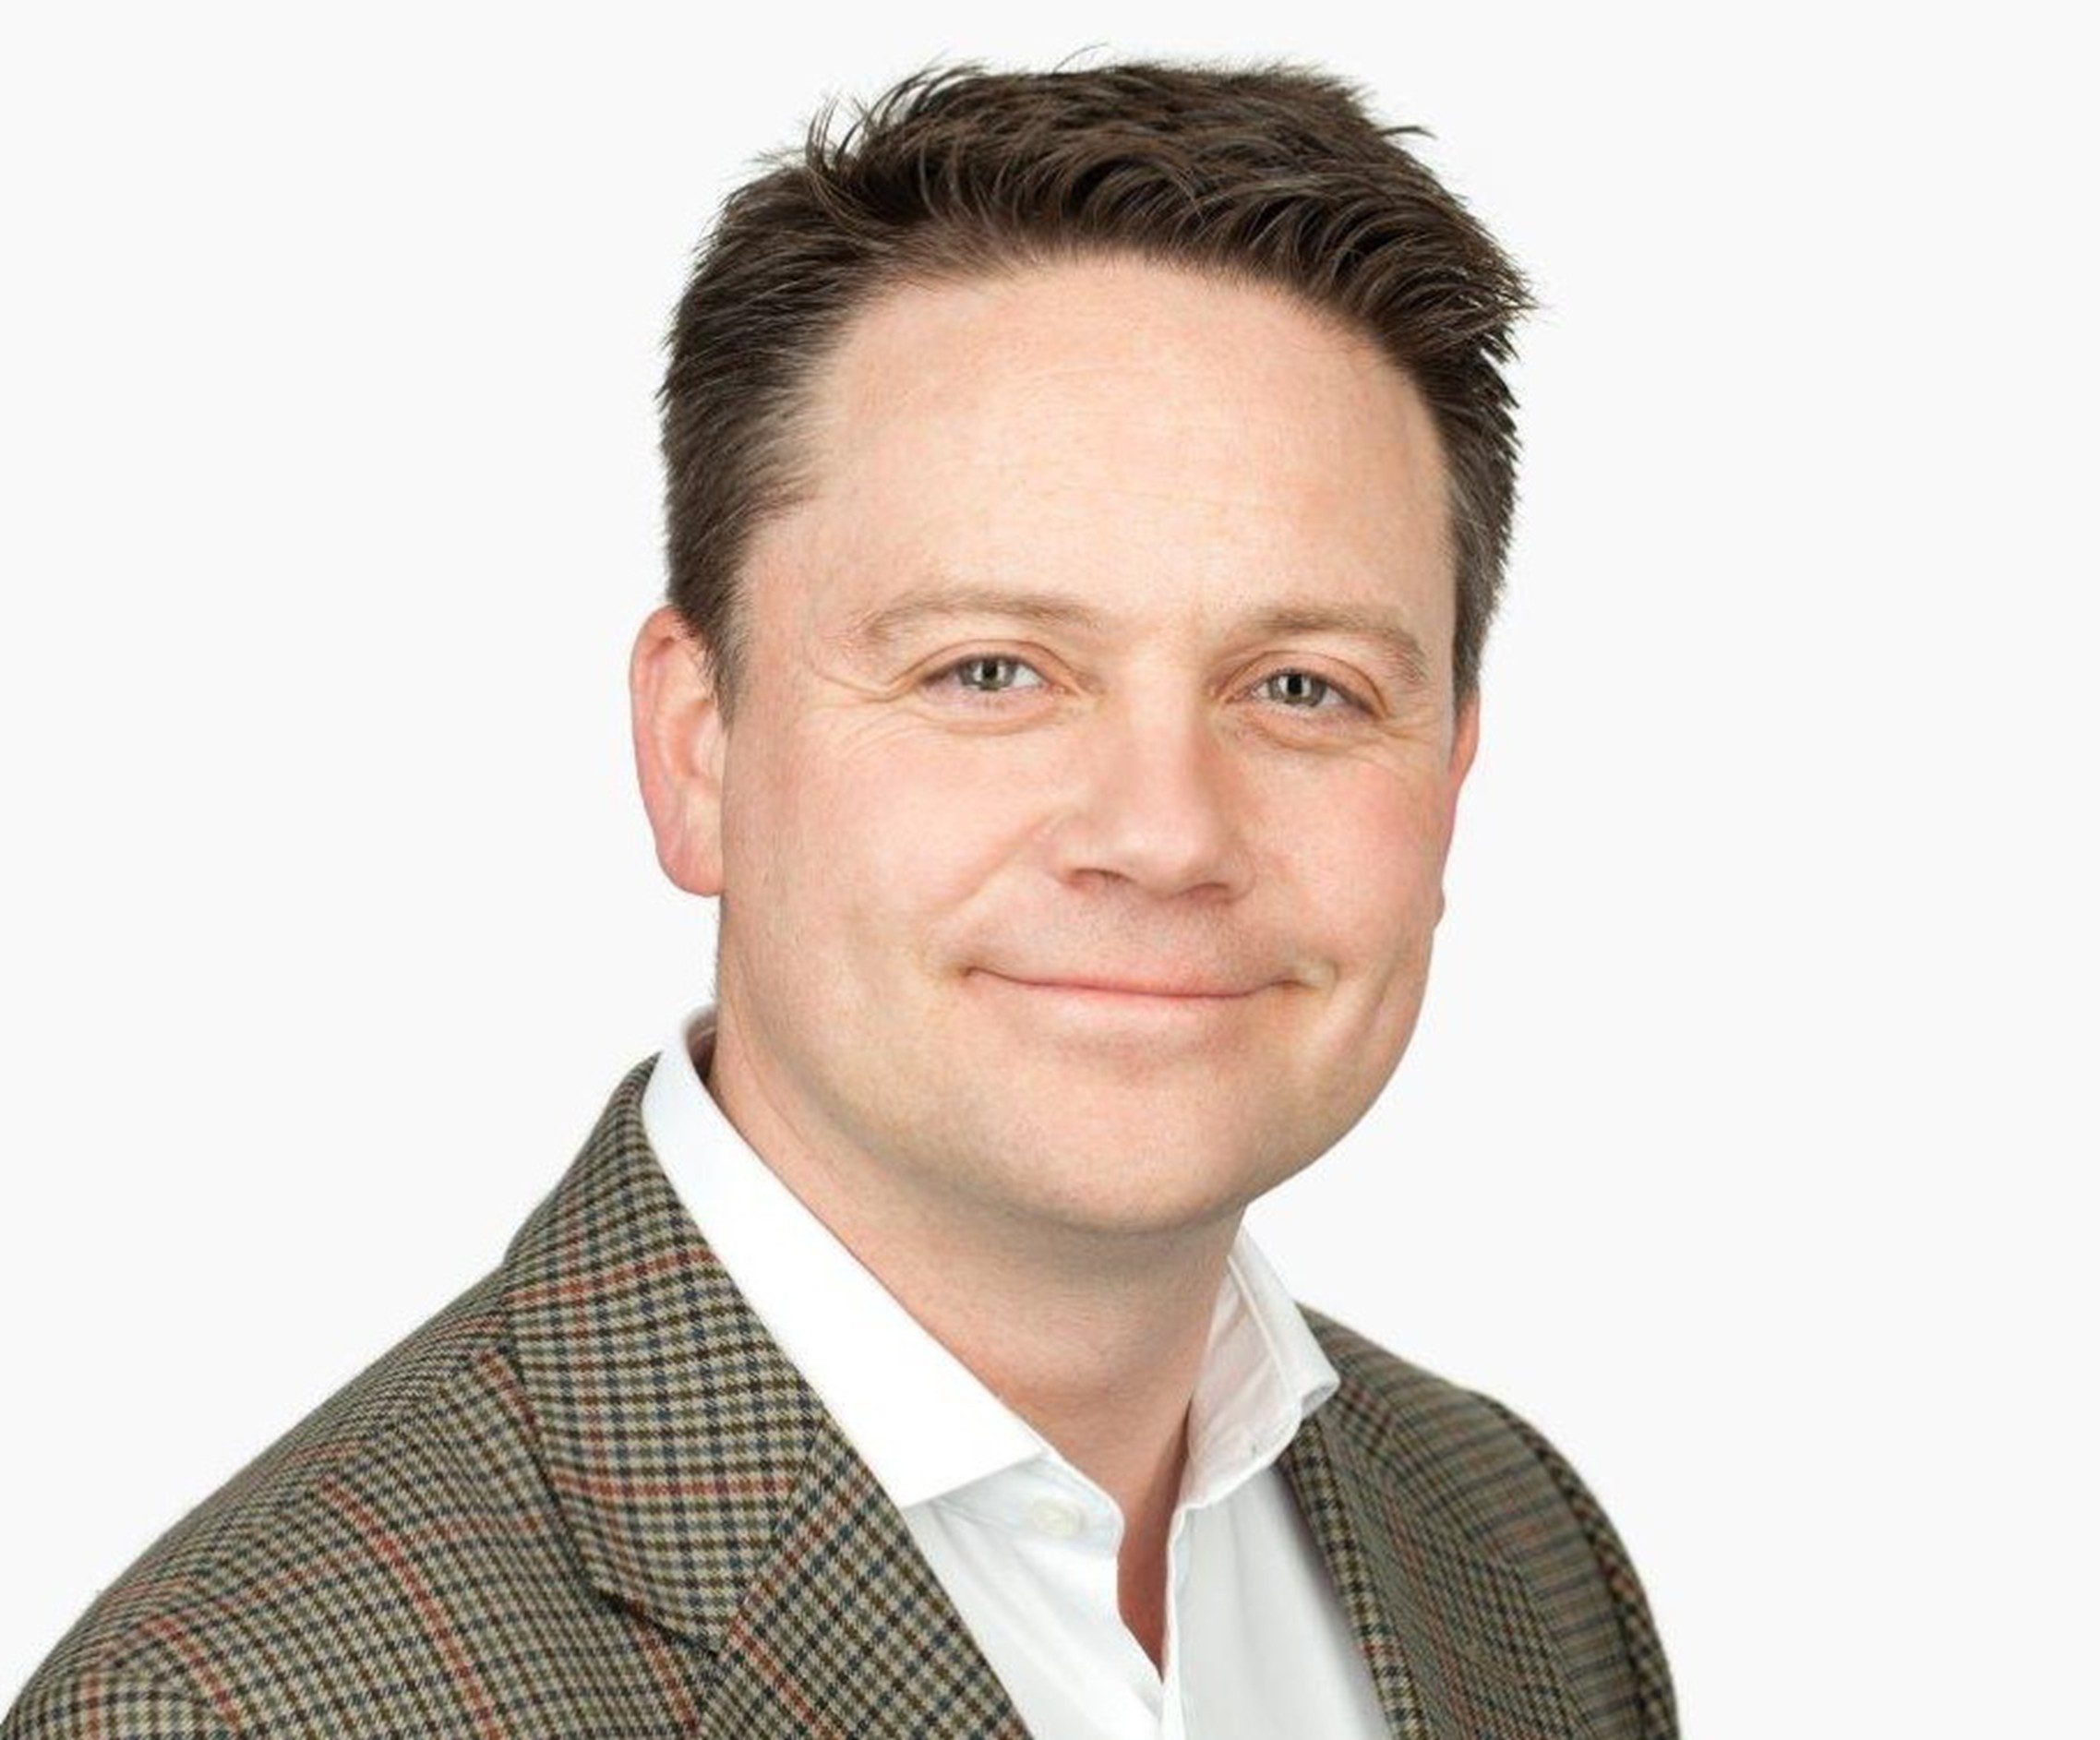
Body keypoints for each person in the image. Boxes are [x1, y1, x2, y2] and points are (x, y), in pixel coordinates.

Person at [3, 58, 1676, 1740]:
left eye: (1303, 689)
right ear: (698, 748)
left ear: (1450, 775)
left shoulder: (1514, 1550)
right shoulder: (235, 1704)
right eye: (993, 668)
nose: (1165, 834)